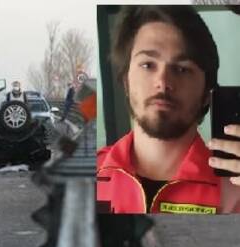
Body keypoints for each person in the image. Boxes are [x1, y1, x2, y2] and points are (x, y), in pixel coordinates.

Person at [97, 5, 240, 214]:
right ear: (126, 82)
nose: (163, 82)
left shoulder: (235, 188)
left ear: (206, 94)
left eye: (182, 69)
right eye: (147, 65)